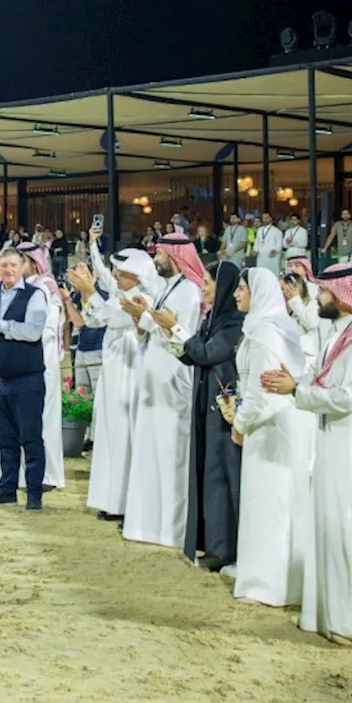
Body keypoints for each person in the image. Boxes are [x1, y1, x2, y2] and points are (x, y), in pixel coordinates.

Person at [260, 264, 352, 650]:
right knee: (328, 524)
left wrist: (297, 392)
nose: (320, 297)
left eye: (325, 292)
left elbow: (347, 397)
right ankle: (326, 614)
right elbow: (320, 378)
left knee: (350, 528)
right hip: (333, 440)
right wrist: (294, 384)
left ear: (344, 296)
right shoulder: (341, 334)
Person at [223, 266, 312, 605]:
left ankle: (267, 584)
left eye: (242, 288)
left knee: (270, 503)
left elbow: (263, 391)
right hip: (273, 422)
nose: (236, 294)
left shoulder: (264, 332)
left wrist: (239, 424)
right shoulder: (268, 326)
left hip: (271, 426)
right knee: (273, 501)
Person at [121, 234, 204, 548]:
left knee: (171, 455)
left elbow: (180, 334)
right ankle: (146, 524)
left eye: (161, 255)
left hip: (173, 380)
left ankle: (171, 530)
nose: (156, 260)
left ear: (176, 256)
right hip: (153, 377)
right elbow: (155, 328)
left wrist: (145, 316)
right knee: (149, 450)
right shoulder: (169, 289)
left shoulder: (190, 292)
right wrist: (140, 318)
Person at [161, 262, 245, 572]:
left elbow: (210, 354)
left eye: (208, 283)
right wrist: (171, 331)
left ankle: (224, 548)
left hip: (224, 409)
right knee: (206, 473)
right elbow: (193, 353)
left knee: (220, 476)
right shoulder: (214, 317)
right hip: (205, 404)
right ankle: (210, 543)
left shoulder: (235, 321)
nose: (204, 288)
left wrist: (179, 331)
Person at [73, 245, 161, 522]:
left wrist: (89, 291)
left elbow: (111, 316)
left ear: (135, 275)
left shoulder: (142, 297)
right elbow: (94, 318)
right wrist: (88, 294)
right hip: (114, 369)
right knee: (111, 432)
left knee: (124, 432)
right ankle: (113, 498)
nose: (115, 276)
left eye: (120, 272)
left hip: (130, 371)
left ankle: (126, 502)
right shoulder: (122, 294)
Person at [0, 248, 50, 511]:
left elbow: (32, 332)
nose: (8, 270)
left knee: (30, 438)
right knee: (5, 439)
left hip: (26, 380)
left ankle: (33, 494)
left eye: (13, 265)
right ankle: (7, 489)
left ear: (22, 267)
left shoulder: (36, 295)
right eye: (4, 265)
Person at [21, 242, 66, 492]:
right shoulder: (28, 288)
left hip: (43, 359)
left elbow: (49, 328)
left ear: (34, 262)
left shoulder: (46, 287)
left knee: (45, 416)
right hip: (28, 359)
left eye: (22, 262)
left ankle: (49, 475)